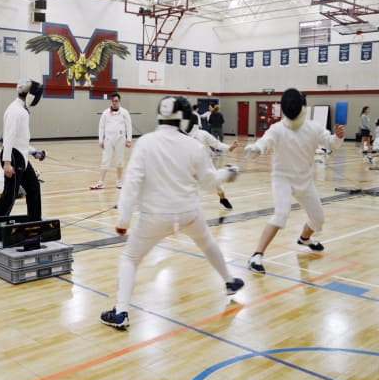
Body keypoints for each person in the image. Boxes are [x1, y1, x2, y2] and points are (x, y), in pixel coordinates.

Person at [99, 96, 244, 329]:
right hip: (189, 214)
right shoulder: (193, 145)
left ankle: (121, 311)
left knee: (130, 258)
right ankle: (229, 281)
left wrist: (123, 219)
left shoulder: (146, 143)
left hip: (154, 217)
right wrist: (229, 173)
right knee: (207, 243)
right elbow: (208, 182)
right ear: (184, 118)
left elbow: (132, 183)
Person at [244, 88, 345, 275]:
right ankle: (256, 256)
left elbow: (330, 143)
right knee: (281, 215)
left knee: (318, 219)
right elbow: (265, 141)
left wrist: (338, 136)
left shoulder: (313, 128)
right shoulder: (277, 129)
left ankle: (305, 239)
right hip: (282, 179)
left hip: (305, 181)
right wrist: (256, 148)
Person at [0, 79, 46, 221]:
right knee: (10, 194)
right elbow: (9, 138)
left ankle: (34, 221)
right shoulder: (16, 111)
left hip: (21, 156)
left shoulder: (22, 109)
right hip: (14, 157)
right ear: (30, 95)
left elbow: (20, 139)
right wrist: (7, 162)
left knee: (33, 188)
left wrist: (34, 152)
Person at [188, 113, 239, 209]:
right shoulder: (184, 136)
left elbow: (217, 144)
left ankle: (223, 199)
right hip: (190, 166)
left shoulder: (202, 134)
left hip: (206, 164)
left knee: (217, 182)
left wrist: (229, 148)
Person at [91, 92, 132, 190]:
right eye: (113, 101)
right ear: (111, 102)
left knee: (120, 161)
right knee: (105, 161)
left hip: (120, 140)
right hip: (108, 140)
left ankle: (119, 182)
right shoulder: (105, 113)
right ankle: (100, 182)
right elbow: (101, 127)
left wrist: (129, 139)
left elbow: (129, 126)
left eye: (116, 101)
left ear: (119, 101)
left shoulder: (124, 112)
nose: (114, 103)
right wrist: (101, 140)